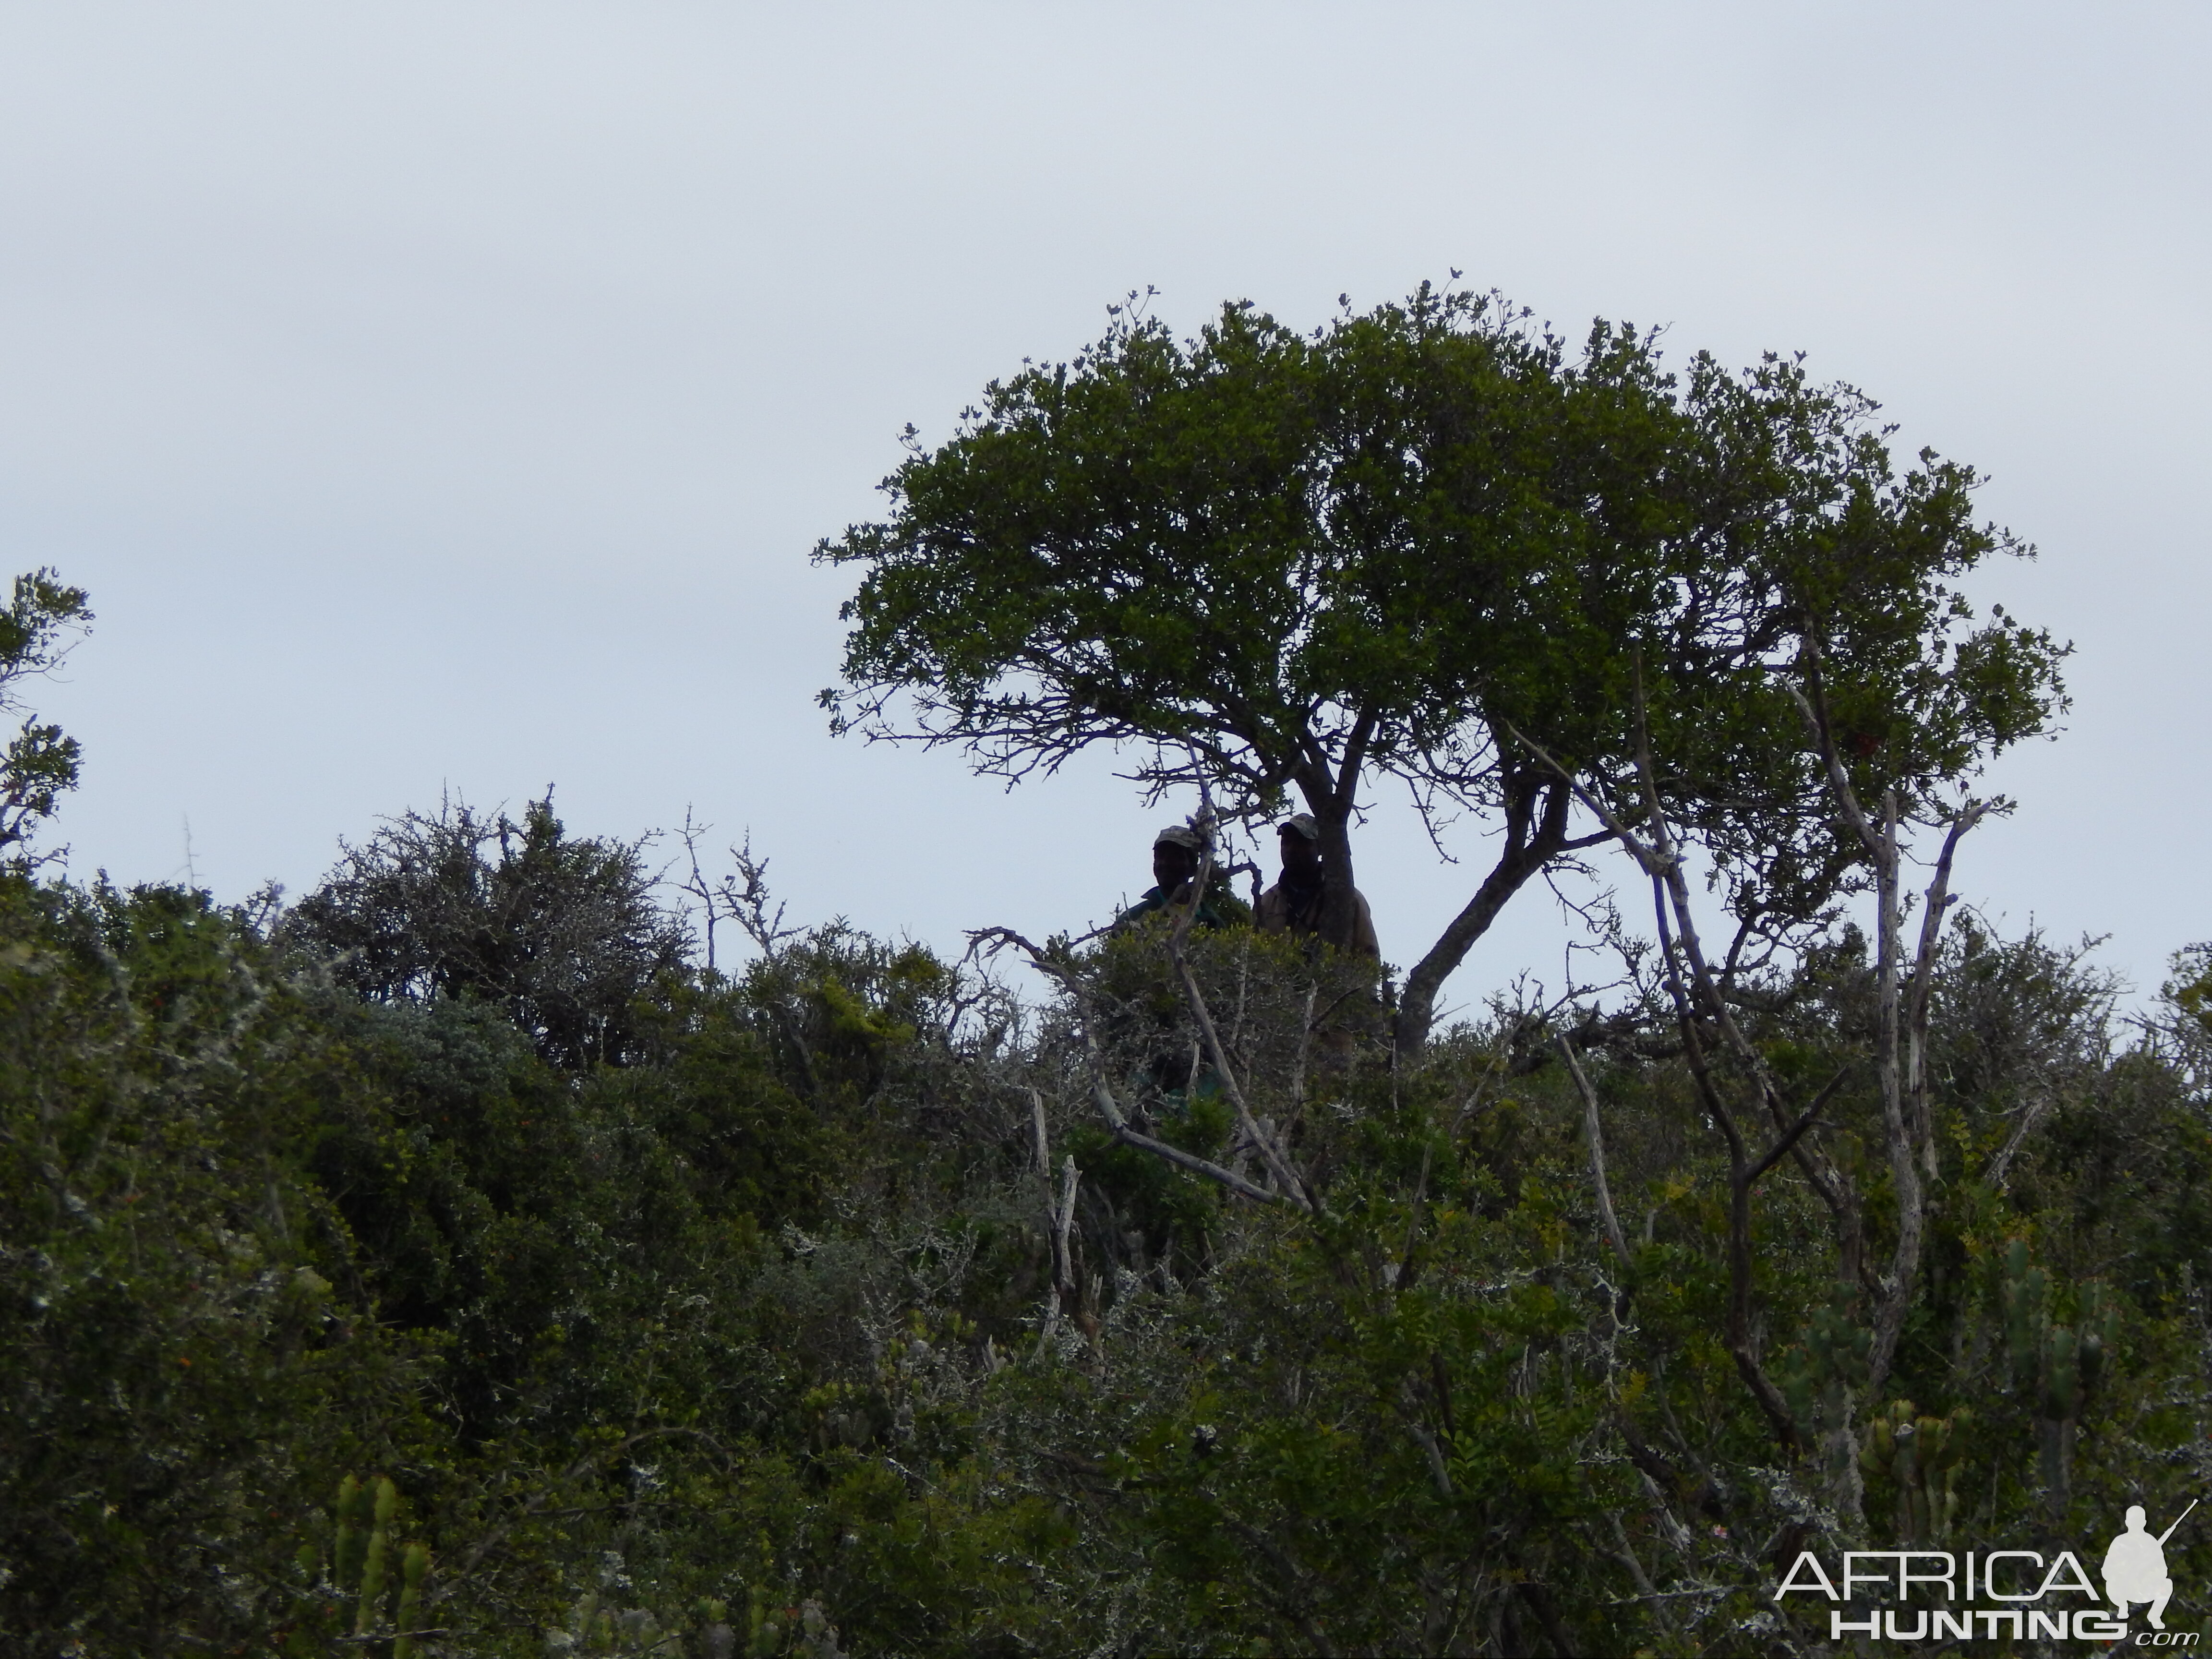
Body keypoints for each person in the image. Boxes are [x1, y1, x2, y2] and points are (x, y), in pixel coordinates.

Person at [1255, 814, 1380, 958]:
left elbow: (1370, 958)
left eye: (1302, 843)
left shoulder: (1349, 899)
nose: (1291, 849)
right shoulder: (1267, 901)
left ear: (1320, 849)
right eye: (1286, 842)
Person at [1115, 823, 1241, 932]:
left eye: (1174, 857)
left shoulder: (1212, 922)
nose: (1164, 863)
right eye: (1159, 857)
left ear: (1193, 868)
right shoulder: (1133, 917)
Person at [2104, 1505, 2175, 1630]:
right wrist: (2124, 1569)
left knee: (2167, 1584)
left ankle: (2155, 1616)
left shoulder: (2152, 1543)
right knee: (2111, 1583)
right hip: (2124, 1589)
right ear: (2127, 1522)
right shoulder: (2120, 1542)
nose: (2135, 1524)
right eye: (2132, 1521)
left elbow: (2163, 1570)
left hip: (2145, 1588)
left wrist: (2148, 1572)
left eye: (2138, 1521)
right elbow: (2107, 1570)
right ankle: (2122, 1607)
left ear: (2144, 1523)